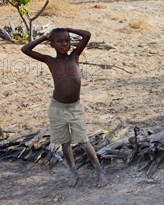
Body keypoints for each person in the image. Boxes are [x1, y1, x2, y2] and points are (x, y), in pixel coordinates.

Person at [21, 28, 108, 187]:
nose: (65, 44)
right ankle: (73, 173)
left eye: (67, 40)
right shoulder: (50, 61)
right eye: (59, 41)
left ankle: (99, 172)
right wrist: (44, 37)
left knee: (83, 141)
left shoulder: (74, 57)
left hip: (75, 108)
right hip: (57, 108)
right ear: (52, 44)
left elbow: (87, 34)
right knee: (65, 143)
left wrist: (68, 29)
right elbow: (25, 49)